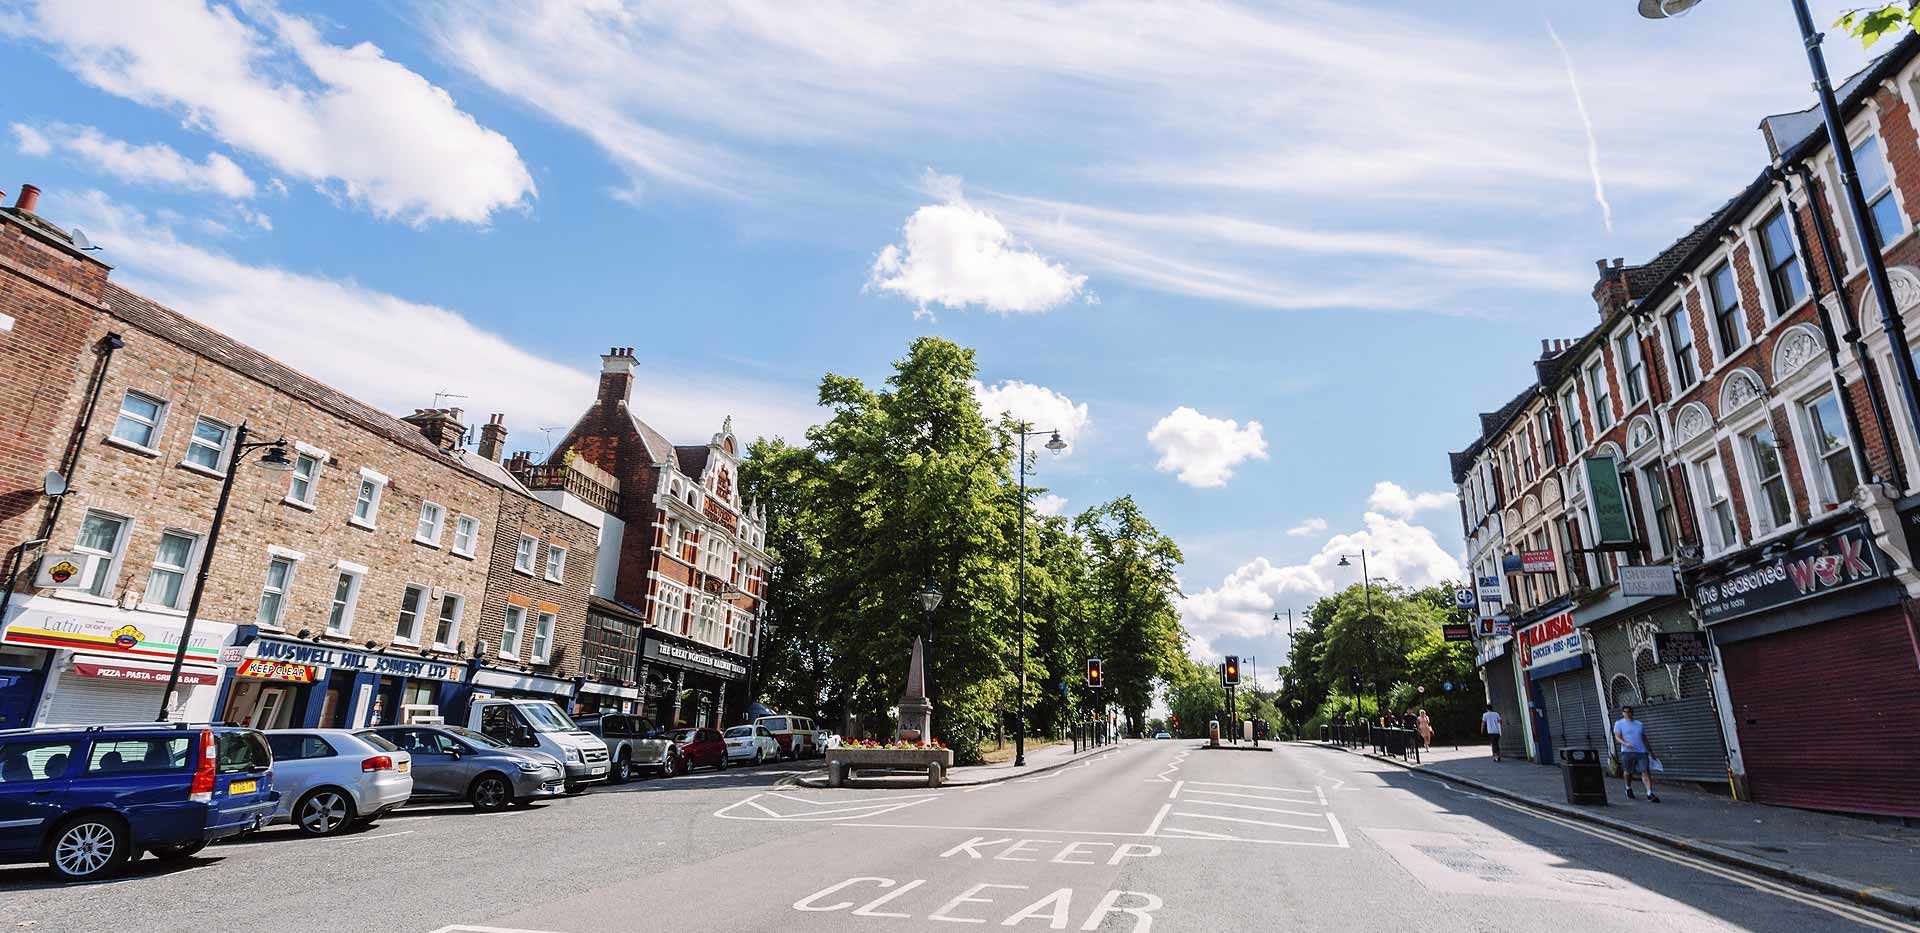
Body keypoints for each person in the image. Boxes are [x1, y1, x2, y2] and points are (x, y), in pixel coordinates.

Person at [1613, 705, 1660, 802]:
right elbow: (1617, 737)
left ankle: (1649, 793)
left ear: (1632, 712)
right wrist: (1625, 743)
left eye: (1629, 711)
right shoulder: (1619, 723)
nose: (1627, 714)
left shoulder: (1639, 724)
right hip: (1627, 752)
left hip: (1641, 751)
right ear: (1622, 713)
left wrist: (1651, 752)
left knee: (1645, 771)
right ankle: (1628, 788)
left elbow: (1644, 738)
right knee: (1628, 772)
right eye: (1625, 712)